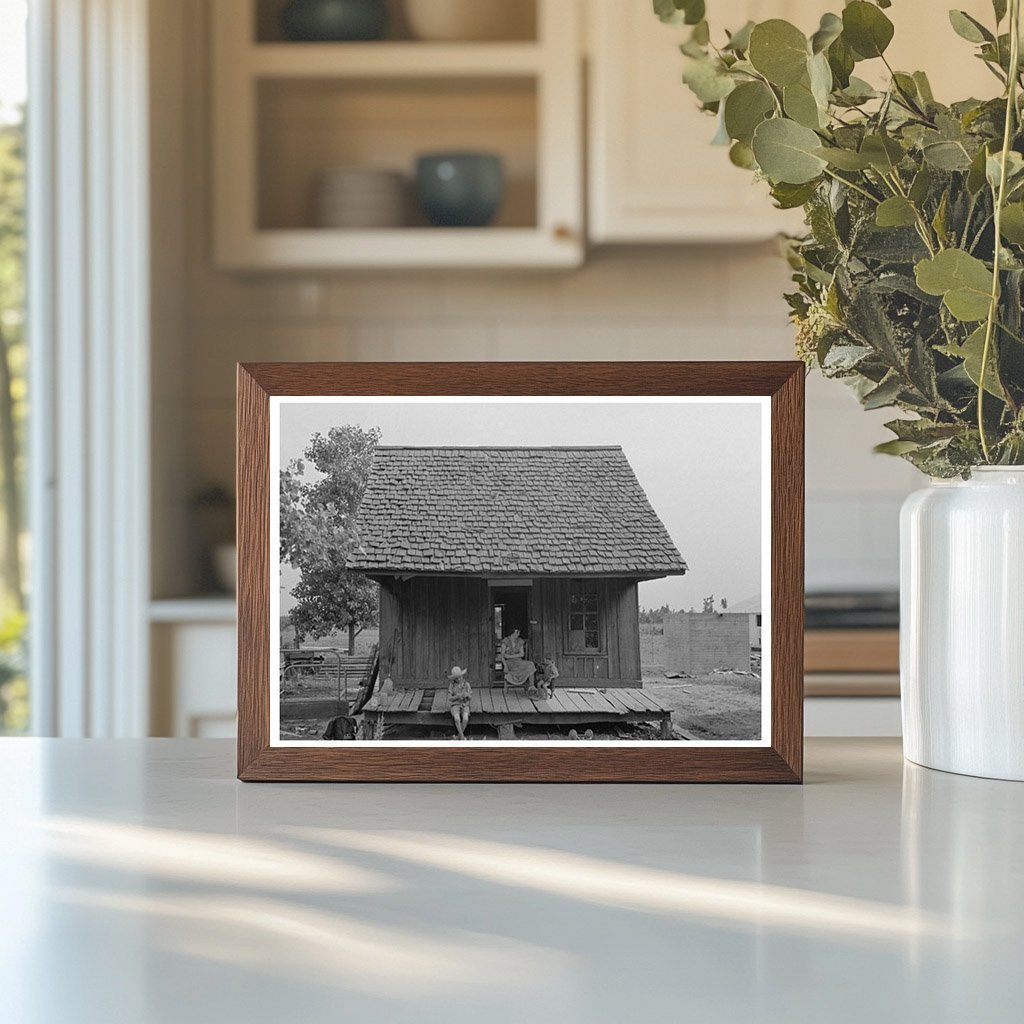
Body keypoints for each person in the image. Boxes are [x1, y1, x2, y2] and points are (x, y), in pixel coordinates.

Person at [500, 628, 536, 694]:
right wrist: (505, 666)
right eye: (517, 632)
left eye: (518, 633)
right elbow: (502, 656)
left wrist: (509, 656)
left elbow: (522, 654)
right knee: (511, 666)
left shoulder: (520, 641)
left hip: (519, 662)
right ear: (512, 633)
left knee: (531, 664)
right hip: (509, 663)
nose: (518, 634)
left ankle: (531, 686)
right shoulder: (505, 641)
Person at [447, 665, 472, 740]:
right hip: (455, 705)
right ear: (454, 678)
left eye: (460, 677)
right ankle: (462, 737)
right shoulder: (451, 685)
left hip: (465, 705)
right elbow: (450, 698)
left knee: (465, 719)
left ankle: (458, 736)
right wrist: (458, 696)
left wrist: (467, 695)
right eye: (457, 678)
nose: (459, 679)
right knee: (457, 719)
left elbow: (470, 697)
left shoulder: (466, 684)